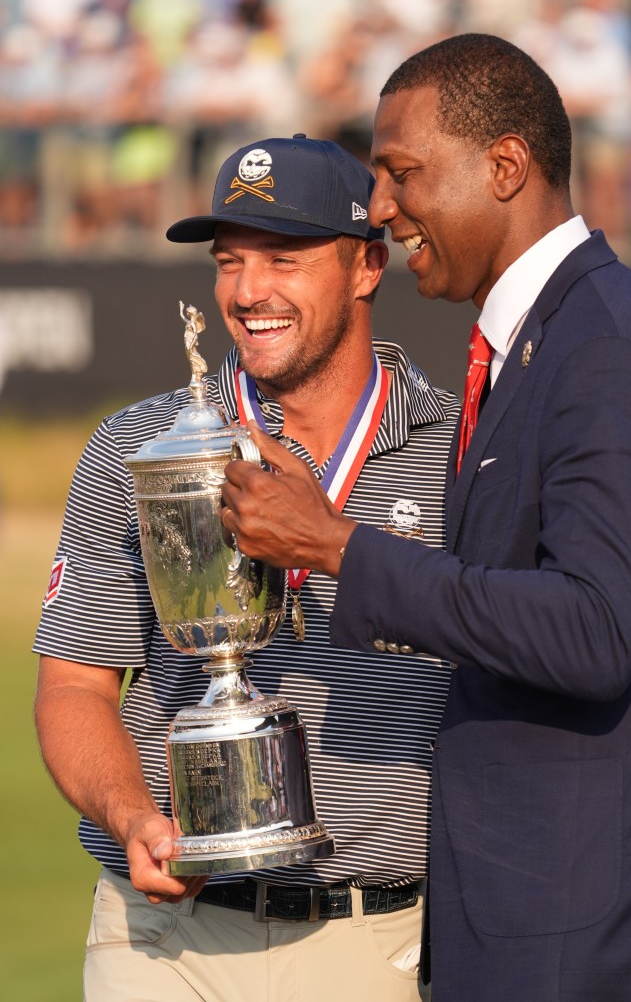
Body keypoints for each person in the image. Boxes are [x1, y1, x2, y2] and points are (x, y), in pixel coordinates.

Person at [219, 36, 631, 1002]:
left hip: (576, 928)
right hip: (519, 908)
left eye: (401, 172)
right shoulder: (540, 336)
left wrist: (336, 545)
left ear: (504, 166)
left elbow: (593, 631)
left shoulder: (602, 348)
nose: (381, 207)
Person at [33, 133, 460, 1002]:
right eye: (229, 262)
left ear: (366, 266)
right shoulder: (137, 450)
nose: (248, 291)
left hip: (379, 940)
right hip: (163, 940)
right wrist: (129, 819)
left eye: (284, 257)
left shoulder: (463, 450)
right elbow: (74, 687)